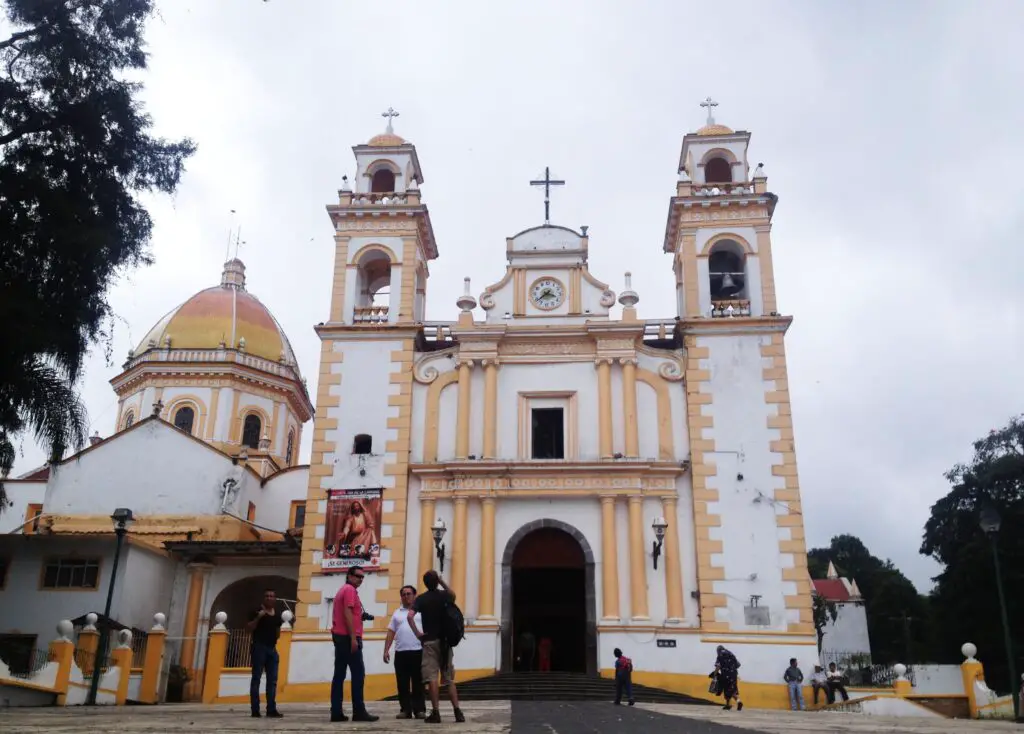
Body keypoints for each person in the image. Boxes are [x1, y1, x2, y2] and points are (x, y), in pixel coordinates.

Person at [408, 570, 465, 724]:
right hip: (445, 642)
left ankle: (436, 712)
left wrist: (418, 633)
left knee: (432, 678)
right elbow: (453, 594)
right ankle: (457, 711)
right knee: (449, 679)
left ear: (425, 583)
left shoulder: (421, 599)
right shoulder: (445, 596)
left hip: (430, 642)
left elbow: (410, 616)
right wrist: (441, 581)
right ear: (436, 581)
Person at [329, 567, 379, 723]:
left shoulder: (343, 590)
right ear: (349, 576)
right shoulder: (350, 590)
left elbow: (349, 613)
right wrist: (353, 638)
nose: (360, 579)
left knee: (339, 675)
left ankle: (336, 712)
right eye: (358, 576)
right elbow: (347, 613)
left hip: (339, 636)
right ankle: (359, 711)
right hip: (348, 637)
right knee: (358, 674)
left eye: (363, 577)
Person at [384, 585, 425, 720]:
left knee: (418, 683)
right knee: (402, 683)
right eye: (404, 594)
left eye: (409, 594)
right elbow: (391, 632)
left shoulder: (421, 612)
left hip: (418, 651)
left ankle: (419, 710)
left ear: (415, 595)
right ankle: (405, 710)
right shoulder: (397, 613)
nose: (406, 596)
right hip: (401, 653)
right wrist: (386, 650)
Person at [246, 589, 283, 718]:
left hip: (272, 649)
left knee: (272, 681)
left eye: (271, 596)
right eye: (266, 596)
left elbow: (278, 631)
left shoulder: (277, 615)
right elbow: (249, 628)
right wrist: (258, 617)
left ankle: (271, 709)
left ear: (275, 599)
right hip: (259, 647)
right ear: (263, 598)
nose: (269, 598)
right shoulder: (256, 611)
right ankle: (255, 710)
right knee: (256, 679)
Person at [714, 645, 743, 711]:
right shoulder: (731, 654)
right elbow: (738, 665)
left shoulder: (720, 655)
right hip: (733, 675)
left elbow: (718, 666)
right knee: (732, 689)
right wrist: (731, 668)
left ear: (718, 650)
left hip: (725, 675)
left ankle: (733, 703)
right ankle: (732, 703)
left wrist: (714, 674)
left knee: (727, 690)